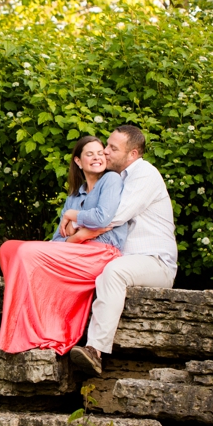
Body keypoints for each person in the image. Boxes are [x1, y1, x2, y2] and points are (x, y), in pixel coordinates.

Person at [0, 136, 127, 356]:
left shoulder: (111, 180)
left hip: (101, 253)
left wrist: (71, 215)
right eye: (89, 154)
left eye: (100, 153)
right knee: (8, 248)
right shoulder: (74, 196)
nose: (97, 157)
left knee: (28, 252)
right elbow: (58, 240)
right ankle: (28, 320)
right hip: (76, 250)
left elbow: (103, 218)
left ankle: (38, 330)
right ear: (78, 161)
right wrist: (75, 239)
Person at [70, 124, 177, 377]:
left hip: (155, 263)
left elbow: (113, 217)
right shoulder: (114, 180)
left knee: (113, 273)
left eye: (112, 148)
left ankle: (95, 351)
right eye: (106, 145)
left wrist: (74, 219)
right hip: (127, 260)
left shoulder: (144, 174)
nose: (104, 152)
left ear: (133, 154)